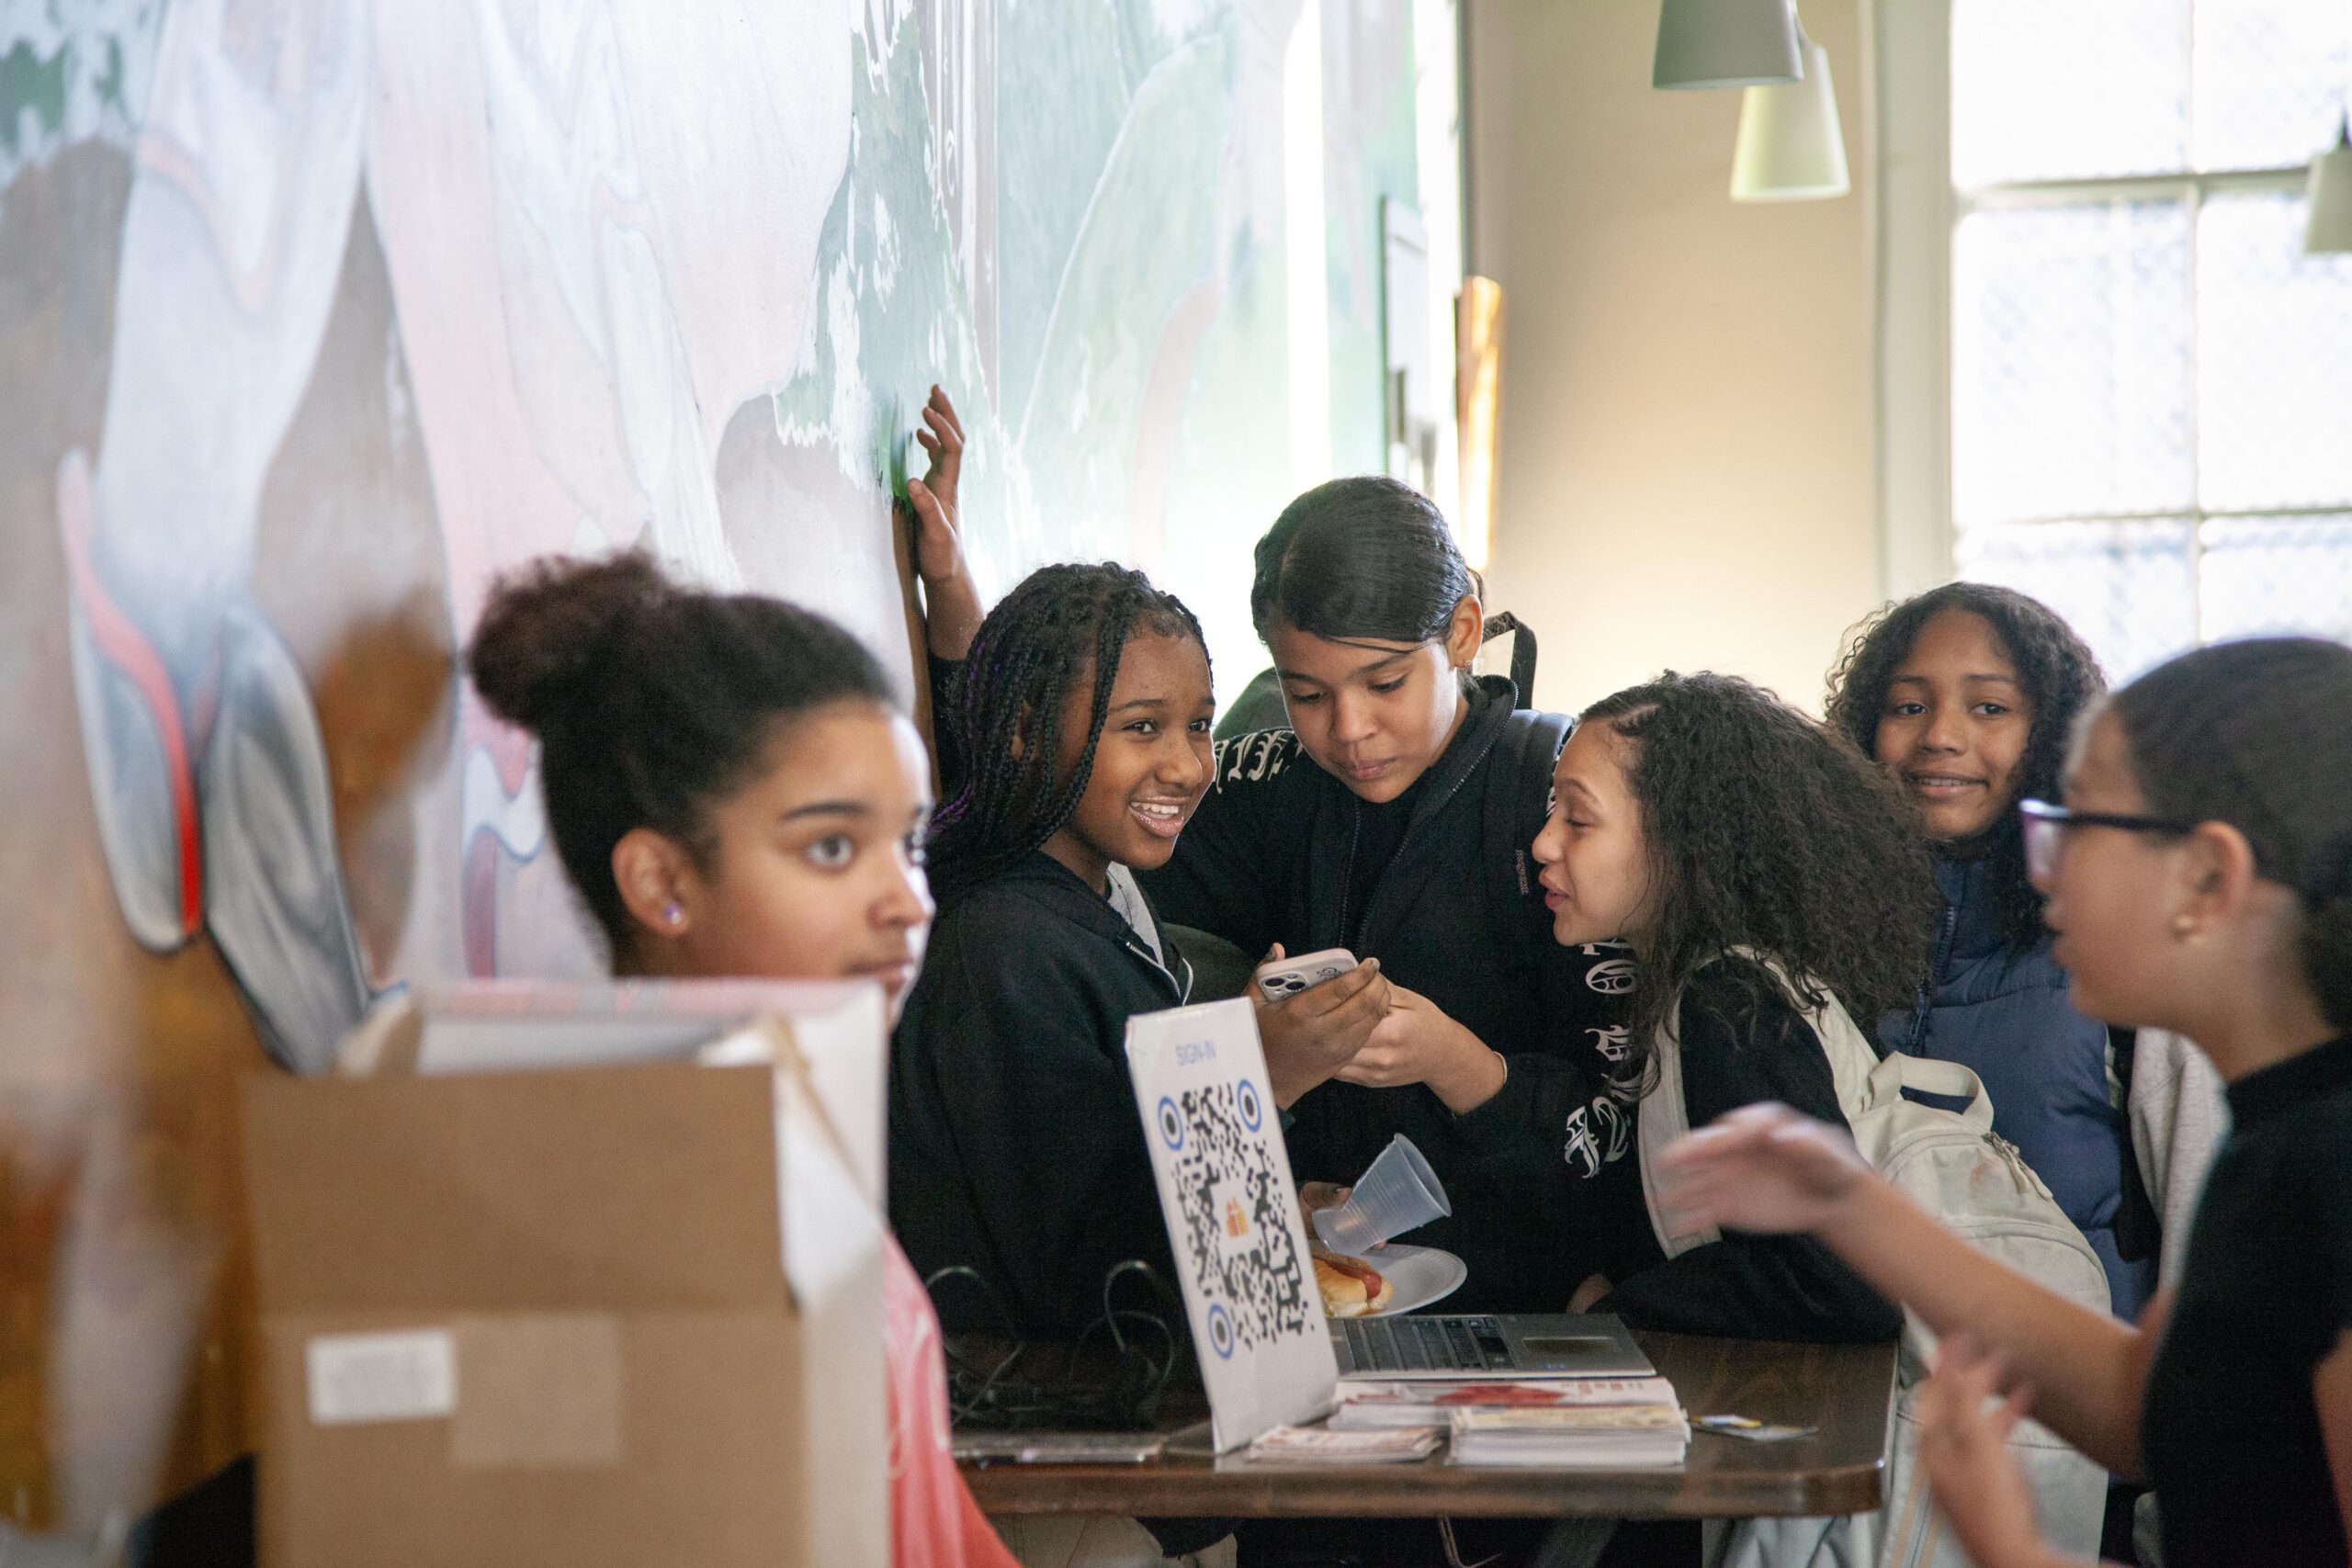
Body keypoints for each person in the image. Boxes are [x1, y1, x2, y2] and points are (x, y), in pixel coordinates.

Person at [1658, 637, 2352, 1568]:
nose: (2041, 866)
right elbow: (2151, 1407)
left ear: (2207, 879)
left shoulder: (2331, 1174)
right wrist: (1845, 1201)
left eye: (2080, 822)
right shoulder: (2275, 1149)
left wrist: (2016, 1552)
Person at [466, 549, 1018, 1568]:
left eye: (911, 845)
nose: (908, 900)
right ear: (662, 882)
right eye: (830, 850)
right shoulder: (617, 1203)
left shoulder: (781, 1136)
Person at [1135, 476, 1621, 1317]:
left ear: (1463, 633)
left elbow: (1627, 1124)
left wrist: (1457, 1060)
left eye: (1386, 683)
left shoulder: (1561, 802)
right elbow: (1076, 839)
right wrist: (1257, 1056)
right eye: (1308, 693)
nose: (1348, 729)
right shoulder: (1269, 783)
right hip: (1322, 1297)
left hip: (1539, 1304)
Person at [889, 560, 1231, 1339]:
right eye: (1142, 727)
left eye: (1200, 725)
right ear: (1024, 730)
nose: (1186, 765)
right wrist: (1255, 1078)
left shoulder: (1096, 900)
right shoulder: (1006, 954)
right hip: (1042, 1418)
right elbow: (1102, 1284)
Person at [1521, 671, 1915, 1342]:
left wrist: (1614, 1311)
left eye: (1578, 819)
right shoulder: (1722, 983)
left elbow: (1839, 1283)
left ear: (1679, 840)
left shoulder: (1728, 1006)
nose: (1543, 843)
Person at [1825, 582, 2159, 1319]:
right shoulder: (1815, 935)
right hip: (1866, 1402)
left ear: (2051, 734)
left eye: (1990, 708)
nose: (1941, 734)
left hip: (2076, 1411)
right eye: (1908, 705)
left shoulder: (2123, 949)